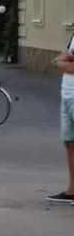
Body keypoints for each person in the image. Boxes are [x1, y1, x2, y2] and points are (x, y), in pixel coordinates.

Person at [51, 32, 74, 203]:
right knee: (69, 143)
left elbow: (70, 65)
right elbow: (65, 56)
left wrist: (60, 62)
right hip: (67, 95)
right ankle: (72, 190)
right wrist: (62, 60)